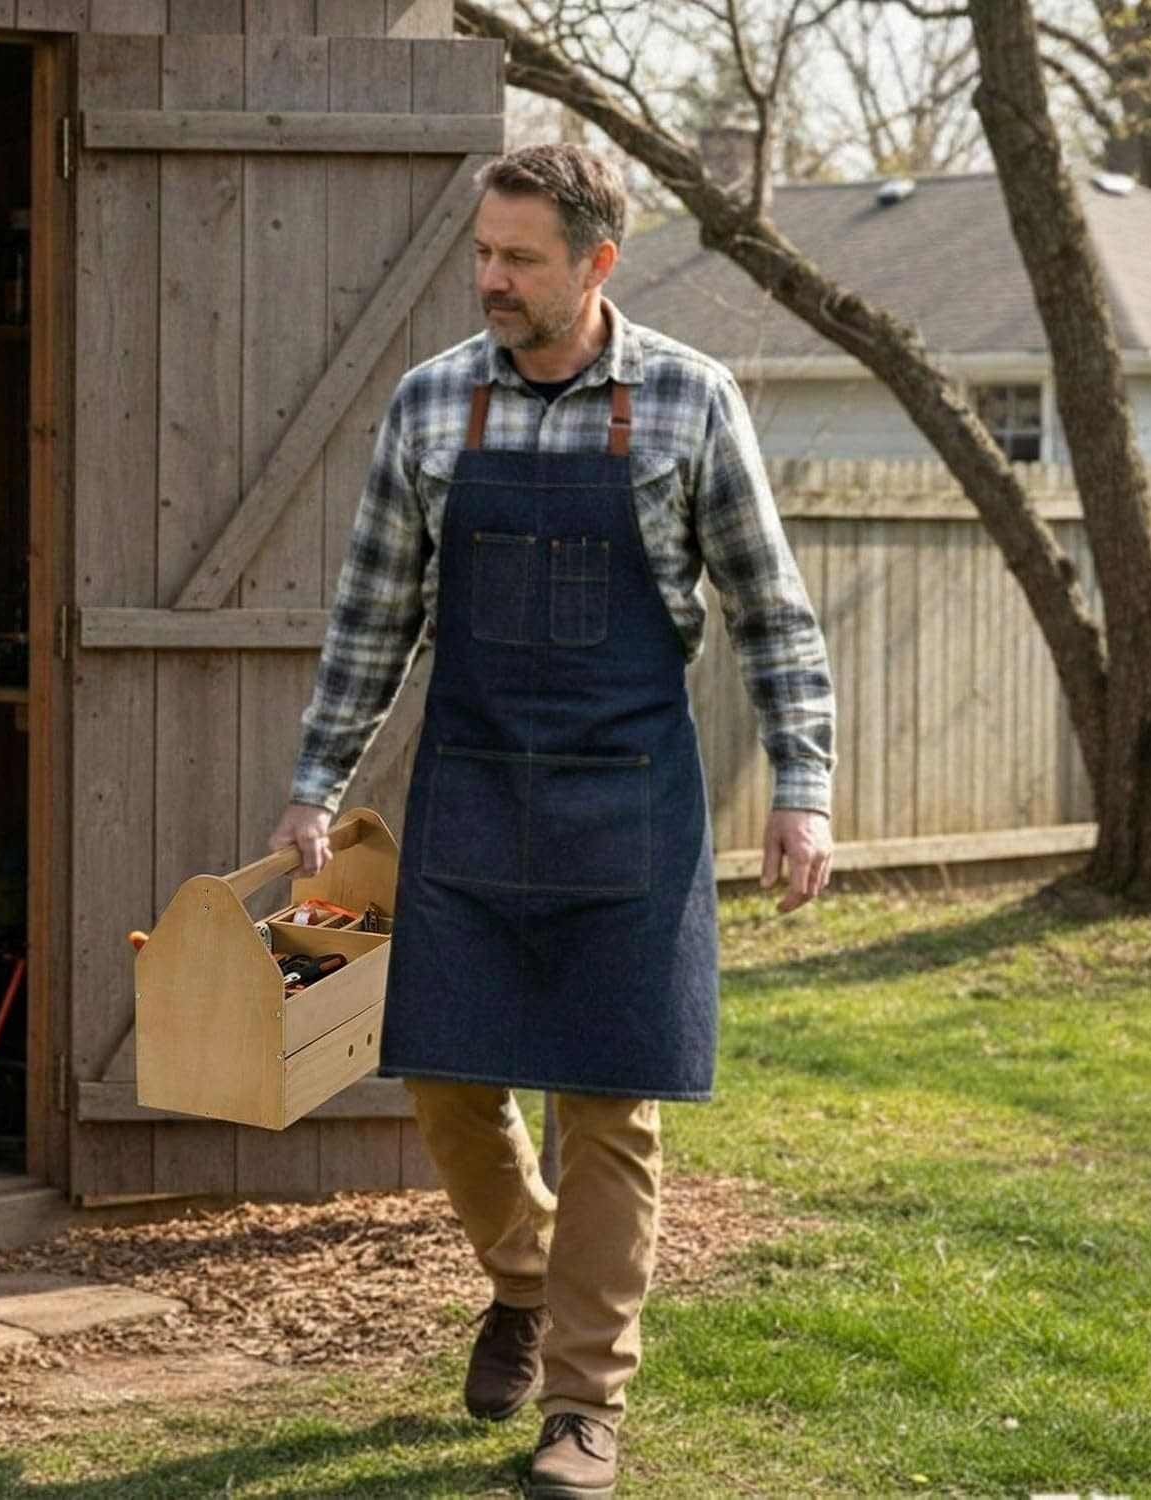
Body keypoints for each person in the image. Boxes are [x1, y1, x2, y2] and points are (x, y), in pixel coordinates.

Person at [268, 143, 835, 1500]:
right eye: (483, 253)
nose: (491, 280)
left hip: (631, 808)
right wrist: (317, 781)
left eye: (519, 258)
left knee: (610, 1111)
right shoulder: (430, 406)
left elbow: (772, 612)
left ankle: (584, 1408)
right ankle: (523, 1277)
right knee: (448, 1081)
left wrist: (803, 790)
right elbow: (374, 616)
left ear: (596, 263)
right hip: (468, 795)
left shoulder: (691, 404)